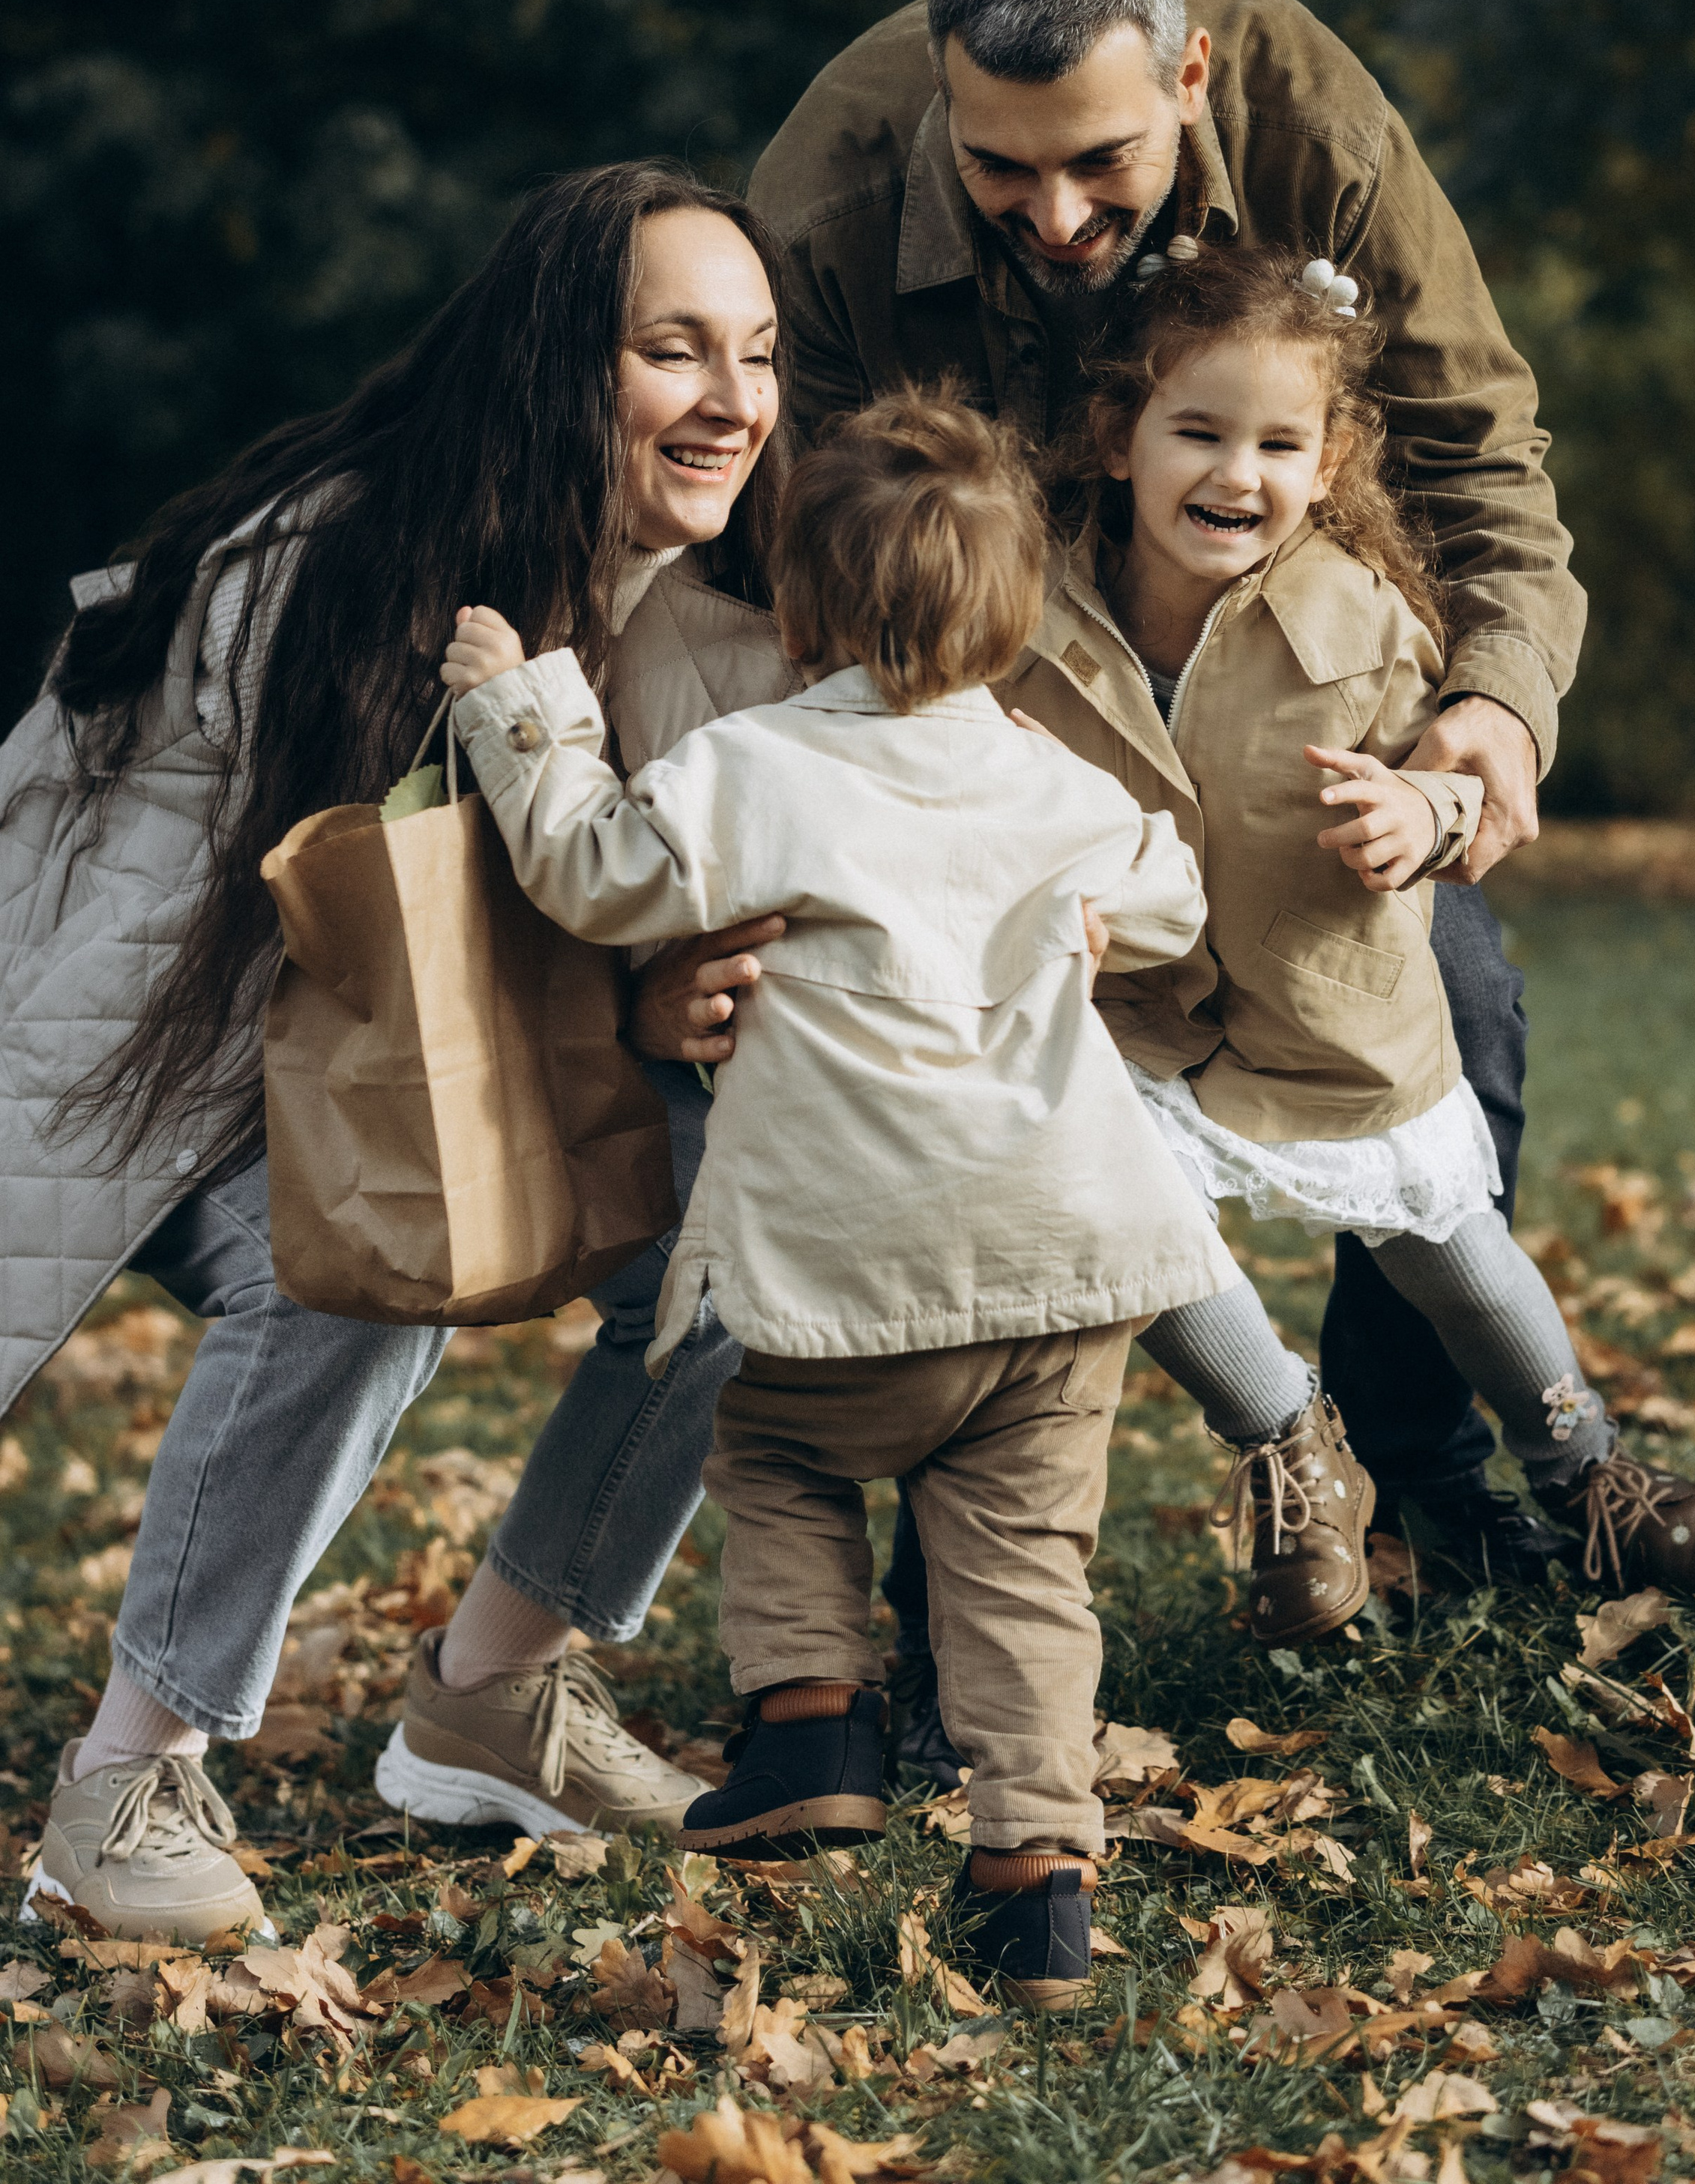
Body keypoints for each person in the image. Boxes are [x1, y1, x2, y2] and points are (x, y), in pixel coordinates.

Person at [0, 162, 805, 1943]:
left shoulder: (659, 584)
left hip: (302, 1045)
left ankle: (500, 1687)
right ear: (554, 368)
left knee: (736, 1228)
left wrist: (660, 993)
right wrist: (617, 1000)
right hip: (136, 1059)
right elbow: (380, 951)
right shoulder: (352, 565)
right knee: (359, 1264)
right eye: (673, 350)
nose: (734, 399)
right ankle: (124, 1784)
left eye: (754, 353)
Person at [750, 0, 1575, 1584]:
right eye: (998, 169)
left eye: (1100, 165)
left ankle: (1416, 1474)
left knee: (1459, 1027)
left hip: (1297, 707)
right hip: (1003, 719)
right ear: (935, 95)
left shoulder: (1303, 109)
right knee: (965, 1113)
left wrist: (1492, 697)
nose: (1052, 217)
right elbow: (797, 548)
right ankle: (949, 1613)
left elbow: (1473, 440)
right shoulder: (821, 208)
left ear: (1190, 76)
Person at [439, 388, 1236, 2012]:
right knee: (1022, 1568)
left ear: (798, 605)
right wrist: (1094, 910)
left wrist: (524, 704)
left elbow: (592, 865)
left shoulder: (754, 768)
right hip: (1063, 1269)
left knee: (780, 1460)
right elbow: (1171, 889)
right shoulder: (1051, 783)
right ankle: (1033, 1874)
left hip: (838, 1269)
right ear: (1015, 616)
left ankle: (807, 1723)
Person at [999, 243, 1695, 1625]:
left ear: (1330, 456)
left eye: (1279, 443)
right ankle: (1291, 1441)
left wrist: (1421, 812)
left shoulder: (1355, 610)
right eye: (1199, 433)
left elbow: (1447, 767)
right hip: (1126, 1019)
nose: (1238, 474)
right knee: (1133, 1221)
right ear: (1119, 438)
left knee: (1458, 1254)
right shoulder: (1036, 612)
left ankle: (1589, 1475)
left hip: (1330, 1002)